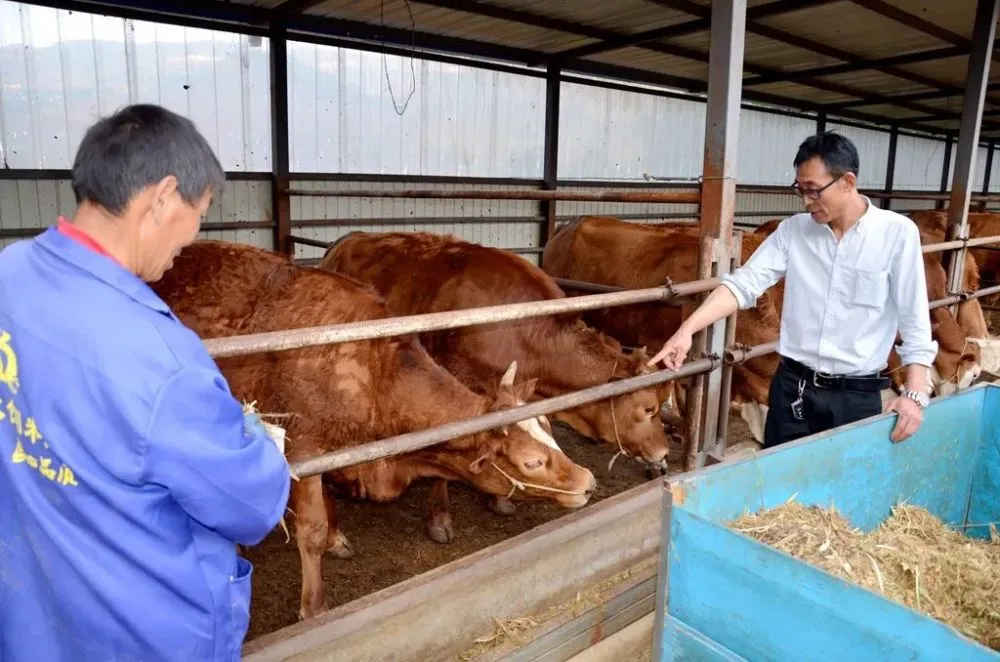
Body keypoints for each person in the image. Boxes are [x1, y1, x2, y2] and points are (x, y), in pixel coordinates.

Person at [0, 104, 291, 662]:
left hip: (34, 607)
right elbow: (252, 507)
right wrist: (254, 438)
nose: (193, 235)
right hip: (139, 629)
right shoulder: (162, 362)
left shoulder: (10, 274)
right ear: (161, 198)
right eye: (199, 211)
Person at [649, 131, 937, 447]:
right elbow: (743, 284)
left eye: (814, 191)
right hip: (792, 390)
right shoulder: (794, 231)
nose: (806, 202)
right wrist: (688, 328)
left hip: (855, 397)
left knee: (840, 491)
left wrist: (915, 393)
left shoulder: (897, 234)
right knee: (781, 489)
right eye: (801, 191)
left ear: (848, 182)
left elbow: (914, 319)